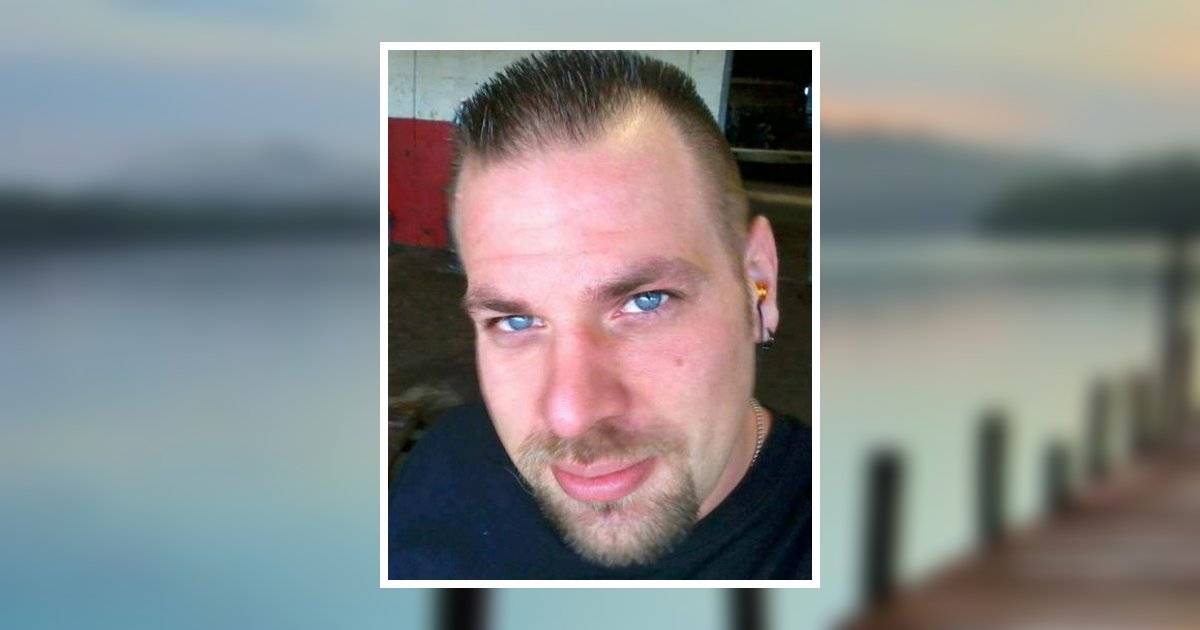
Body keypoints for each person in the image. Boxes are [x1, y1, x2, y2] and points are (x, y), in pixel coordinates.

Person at [388, 50, 811, 579]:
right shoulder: (442, 468)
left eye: (645, 301)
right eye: (515, 321)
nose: (572, 415)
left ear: (758, 285)